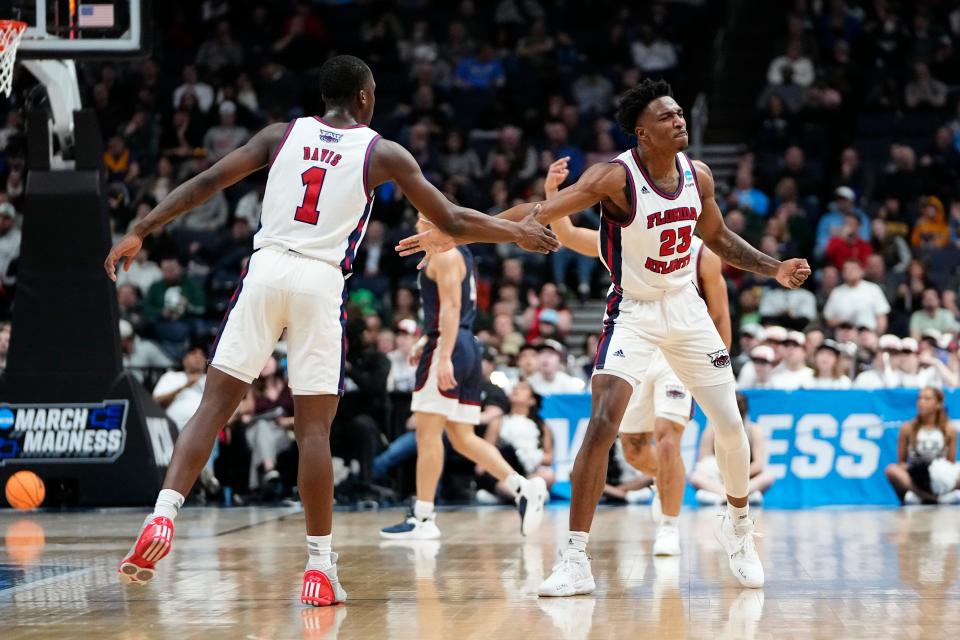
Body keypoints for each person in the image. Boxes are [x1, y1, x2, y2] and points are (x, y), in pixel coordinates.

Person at [104, 55, 558, 607]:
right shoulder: (381, 151)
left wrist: (140, 228)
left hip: (266, 268)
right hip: (319, 281)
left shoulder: (281, 134)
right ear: (365, 98)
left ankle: (162, 516)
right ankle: (319, 568)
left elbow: (205, 183)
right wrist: (518, 233)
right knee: (314, 433)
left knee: (213, 407)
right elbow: (454, 220)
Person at [398, 78, 811, 593]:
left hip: (685, 308)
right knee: (602, 424)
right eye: (667, 116)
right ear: (643, 132)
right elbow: (538, 213)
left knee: (729, 423)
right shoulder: (614, 177)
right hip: (633, 311)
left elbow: (719, 237)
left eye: (681, 112)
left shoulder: (697, 174)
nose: (680, 120)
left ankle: (740, 527)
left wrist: (773, 269)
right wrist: (456, 231)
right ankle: (575, 559)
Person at [542, 155, 731, 557]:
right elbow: (569, 235)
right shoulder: (628, 235)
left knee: (667, 441)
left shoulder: (703, 254)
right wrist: (551, 194)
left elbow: (719, 316)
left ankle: (669, 522)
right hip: (636, 341)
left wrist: (717, 370)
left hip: (680, 350)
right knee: (632, 449)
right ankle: (671, 485)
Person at [380, 231, 548, 540]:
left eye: (423, 218)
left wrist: (442, 355)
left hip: (449, 345)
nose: (417, 227)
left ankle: (423, 517)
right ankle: (523, 488)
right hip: (466, 344)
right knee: (461, 437)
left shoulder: (444, 254)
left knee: (427, 433)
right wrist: (426, 339)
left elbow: (452, 308)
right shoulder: (461, 250)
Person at [690, 393, 775, 506]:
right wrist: (725, 475)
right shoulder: (712, 429)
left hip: (744, 478)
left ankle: (724, 497)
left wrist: (737, 475)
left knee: (768, 477)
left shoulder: (754, 430)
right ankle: (731, 496)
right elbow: (703, 461)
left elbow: (758, 465)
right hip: (719, 477)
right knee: (696, 477)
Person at [884, 387, 959, 505]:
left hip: (940, 477)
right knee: (892, 470)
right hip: (917, 477)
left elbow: (950, 462)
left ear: (938, 404)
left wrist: (938, 472)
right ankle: (928, 498)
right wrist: (914, 469)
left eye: (927, 399)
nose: (921, 402)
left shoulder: (950, 430)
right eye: (919, 398)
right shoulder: (907, 428)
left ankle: (942, 495)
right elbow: (901, 462)